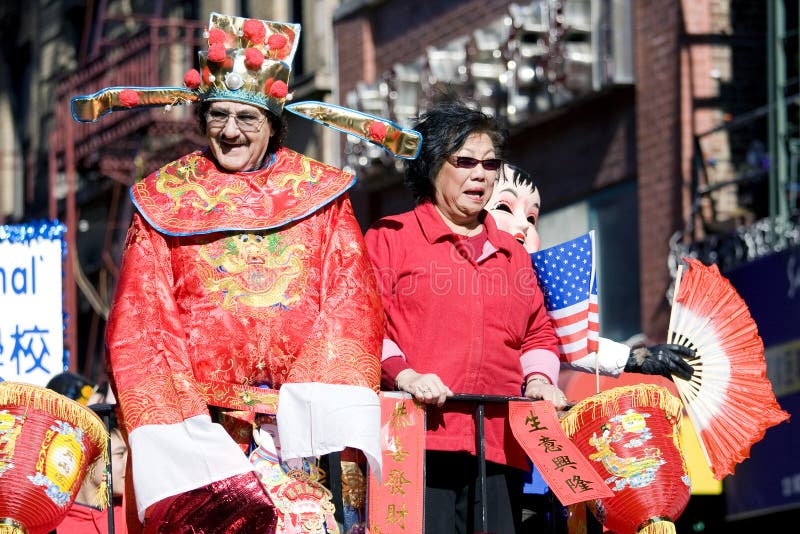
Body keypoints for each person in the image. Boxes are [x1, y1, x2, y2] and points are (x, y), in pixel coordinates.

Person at [71, 13, 404, 534]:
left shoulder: (321, 197)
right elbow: (141, 324)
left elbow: (352, 303)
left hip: (299, 435)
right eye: (217, 116)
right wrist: (185, 429)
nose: (230, 131)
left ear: (273, 124)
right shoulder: (163, 199)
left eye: (247, 118)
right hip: (202, 431)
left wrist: (307, 409)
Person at [365, 101, 567, 534]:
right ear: (433, 165)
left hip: (498, 444)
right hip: (415, 440)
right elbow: (362, 326)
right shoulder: (390, 237)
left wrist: (539, 381)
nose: (481, 174)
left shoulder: (513, 254)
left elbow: (538, 334)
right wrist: (406, 375)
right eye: (466, 161)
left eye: (491, 163)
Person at [487, 163, 695, 379]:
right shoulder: (456, 276)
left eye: (532, 218)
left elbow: (565, 339)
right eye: (504, 207)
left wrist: (637, 358)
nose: (524, 225)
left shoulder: (531, 295)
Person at [56, 404, 129, 534]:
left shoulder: (134, 513)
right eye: (120, 454)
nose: (129, 463)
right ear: (89, 458)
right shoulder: (53, 524)